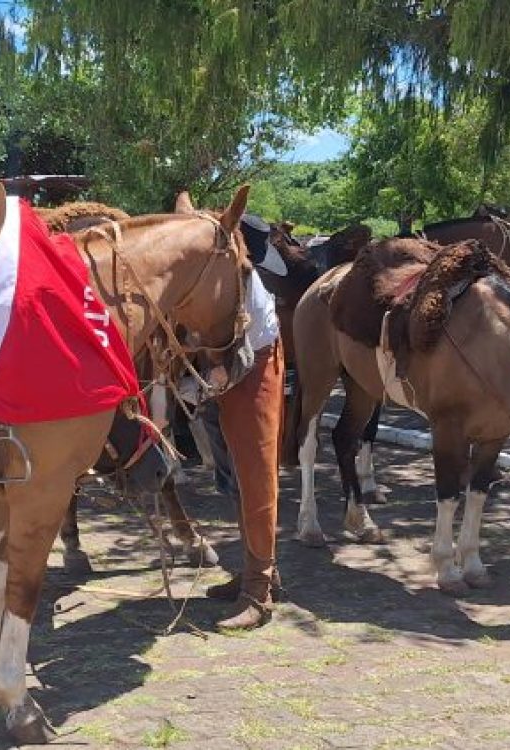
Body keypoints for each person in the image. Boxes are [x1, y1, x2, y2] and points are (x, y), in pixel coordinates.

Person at [193, 213, 284, 630]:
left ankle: (258, 591)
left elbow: (236, 341)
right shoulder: (223, 275)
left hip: (253, 366)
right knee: (236, 475)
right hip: (231, 369)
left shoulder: (237, 278)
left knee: (256, 474)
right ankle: (259, 571)